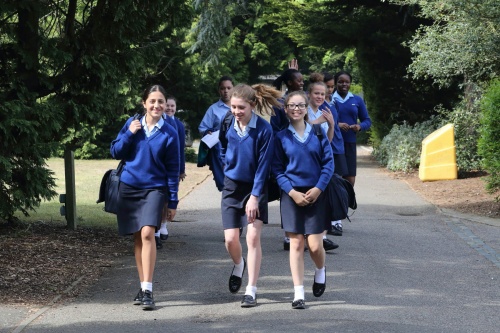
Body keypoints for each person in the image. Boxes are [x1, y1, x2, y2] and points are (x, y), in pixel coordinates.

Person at [110, 84, 180, 310]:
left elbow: (173, 170)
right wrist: (130, 133)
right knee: (138, 238)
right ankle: (143, 285)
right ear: (144, 103)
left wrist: (173, 201)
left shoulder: (170, 132)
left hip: (155, 190)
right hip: (129, 187)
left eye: (161, 101)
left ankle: (148, 290)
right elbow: (116, 151)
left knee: (149, 232)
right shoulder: (133, 124)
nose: (157, 105)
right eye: (152, 101)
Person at [219, 83, 281, 308]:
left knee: (252, 238)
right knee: (230, 240)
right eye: (233, 107)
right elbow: (222, 146)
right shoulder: (227, 121)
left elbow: (264, 166)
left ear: (252, 106)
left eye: (241, 107)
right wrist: (227, 166)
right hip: (232, 187)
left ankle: (251, 290)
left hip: (256, 188)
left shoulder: (264, 129)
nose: (236, 111)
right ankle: (238, 265)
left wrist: (255, 196)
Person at [272, 90, 334, 309]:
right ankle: (299, 293)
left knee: (315, 245)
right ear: (286, 109)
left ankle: (320, 270)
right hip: (291, 195)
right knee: (296, 244)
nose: (296, 109)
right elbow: (277, 170)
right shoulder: (280, 137)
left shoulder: (318, 133)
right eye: (292, 105)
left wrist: (318, 188)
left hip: (317, 193)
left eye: (300, 105)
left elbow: (329, 164)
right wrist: (292, 192)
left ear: (306, 108)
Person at [270, 63, 305, 251]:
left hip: (303, 150)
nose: (302, 82)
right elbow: (274, 128)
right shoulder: (278, 104)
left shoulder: (303, 100)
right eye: (298, 80)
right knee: (287, 192)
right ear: (290, 83)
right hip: (285, 150)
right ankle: (288, 235)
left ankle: (305, 232)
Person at [333, 71, 371, 235]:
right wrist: (337, 124)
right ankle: (336, 218)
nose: (343, 85)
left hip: (349, 143)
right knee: (336, 178)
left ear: (350, 83)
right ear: (335, 83)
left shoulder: (356, 100)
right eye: (340, 82)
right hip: (334, 143)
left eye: (346, 82)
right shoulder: (331, 99)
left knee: (349, 179)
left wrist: (359, 127)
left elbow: (367, 120)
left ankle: (342, 207)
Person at [306, 78, 342, 248]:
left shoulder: (324, 112)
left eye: (322, 94)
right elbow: (301, 131)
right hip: (306, 161)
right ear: (309, 94)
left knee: (324, 198)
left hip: (322, 160)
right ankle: (305, 234)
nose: (320, 96)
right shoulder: (303, 111)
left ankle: (321, 236)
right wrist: (317, 122)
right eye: (316, 93)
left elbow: (328, 140)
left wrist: (332, 125)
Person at [154, 95, 186, 248]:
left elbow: (181, 149)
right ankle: (156, 231)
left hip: (173, 167)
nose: (170, 109)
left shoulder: (178, 125)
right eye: (168, 106)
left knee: (168, 199)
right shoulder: (161, 122)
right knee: (160, 198)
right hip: (161, 167)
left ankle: (163, 225)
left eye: (173, 106)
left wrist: (181, 169)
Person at [198, 76, 234, 191]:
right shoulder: (213, 109)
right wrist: (207, 132)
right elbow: (203, 128)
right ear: (219, 90)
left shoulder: (240, 106)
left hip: (238, 150)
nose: (226, 91)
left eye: (229, 88)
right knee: (224, 184)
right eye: (223, 88)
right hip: (219, 152)